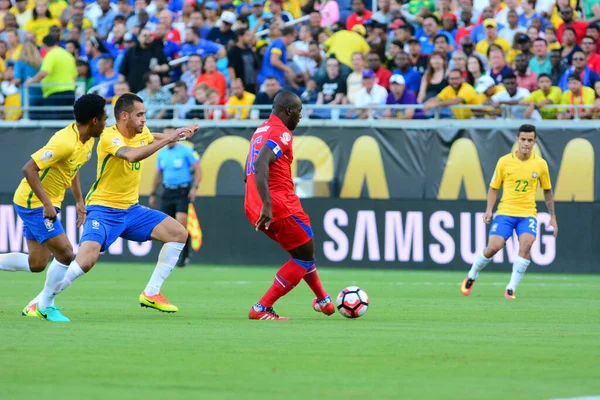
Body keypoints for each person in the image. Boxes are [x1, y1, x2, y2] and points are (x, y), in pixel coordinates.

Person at [31, 94, 199, 322]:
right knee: (86, 260)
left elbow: (153, 137)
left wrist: (176, 135)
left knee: (179, 233)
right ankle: (41, 301)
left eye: (145, 115)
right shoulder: (110, 137)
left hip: (132, 210)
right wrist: (166, 141)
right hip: (103, 209)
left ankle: (151, 293)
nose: (144, 120)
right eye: (140, 115)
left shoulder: (142, 133)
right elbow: (131, 156)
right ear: (124, 116)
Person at [0, 94, 107, 320]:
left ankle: (40, 304)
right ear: (95, 120)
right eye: (105, 117)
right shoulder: (64, 141)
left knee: (37, 263)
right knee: (67, 254)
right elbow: (29, 169)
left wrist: (79, 201)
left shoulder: (86, 140)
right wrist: (47, 204)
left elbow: (72, 168)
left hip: (47, 203)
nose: (107, 122)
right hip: (34, 203)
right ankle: (43, 306)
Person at [244, 90, 334, 320]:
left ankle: (324, 301)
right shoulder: (281, 133)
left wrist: (260, 201)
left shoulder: (260, 130)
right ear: (288, 111)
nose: (300, 116)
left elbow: (248, 171)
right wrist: (268, 203)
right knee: (304, 256)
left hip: (254, 204)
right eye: (299, 111)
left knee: (301, 252)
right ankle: (261, 307)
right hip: (278, 205)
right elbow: (261, 161)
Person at [461, 124, 558, 300]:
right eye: (523, 140)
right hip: (506, 211)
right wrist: (489, 210)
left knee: (527, 245)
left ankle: (510, 288)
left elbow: (547, 191)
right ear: (517, 140)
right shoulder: (504, 162)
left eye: (530, 140)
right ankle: (472, 274)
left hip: (527, 213)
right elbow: (493, 187)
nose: (526, 144)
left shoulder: (540, 165)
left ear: (535, 142)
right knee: (493, 247)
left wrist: (552, 216)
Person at [149, 127, 202, 267]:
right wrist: (153, 193)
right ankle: (168, 258)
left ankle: (184, 255)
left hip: (182, 191)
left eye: (171, 133)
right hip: (167, 191)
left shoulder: (186, 151)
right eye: (165, 134)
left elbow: (198, 168)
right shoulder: (162, 154)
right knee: (165, 227)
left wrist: (195, 188)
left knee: (180, 222)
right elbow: (159, 174)